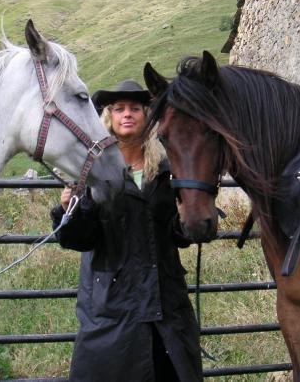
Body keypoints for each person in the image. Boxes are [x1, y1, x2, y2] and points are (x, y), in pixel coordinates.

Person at [50, 79, 203, 382]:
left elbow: (178, 235)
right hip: (112, 304)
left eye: (135, 108)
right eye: (119, 109)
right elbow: (81, 239)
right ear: (109, 118)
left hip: (164, 301)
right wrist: (70, 209)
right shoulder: (90, 171)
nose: (127, 114)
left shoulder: (168, 170)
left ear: (147, 117)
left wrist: (189, 216)